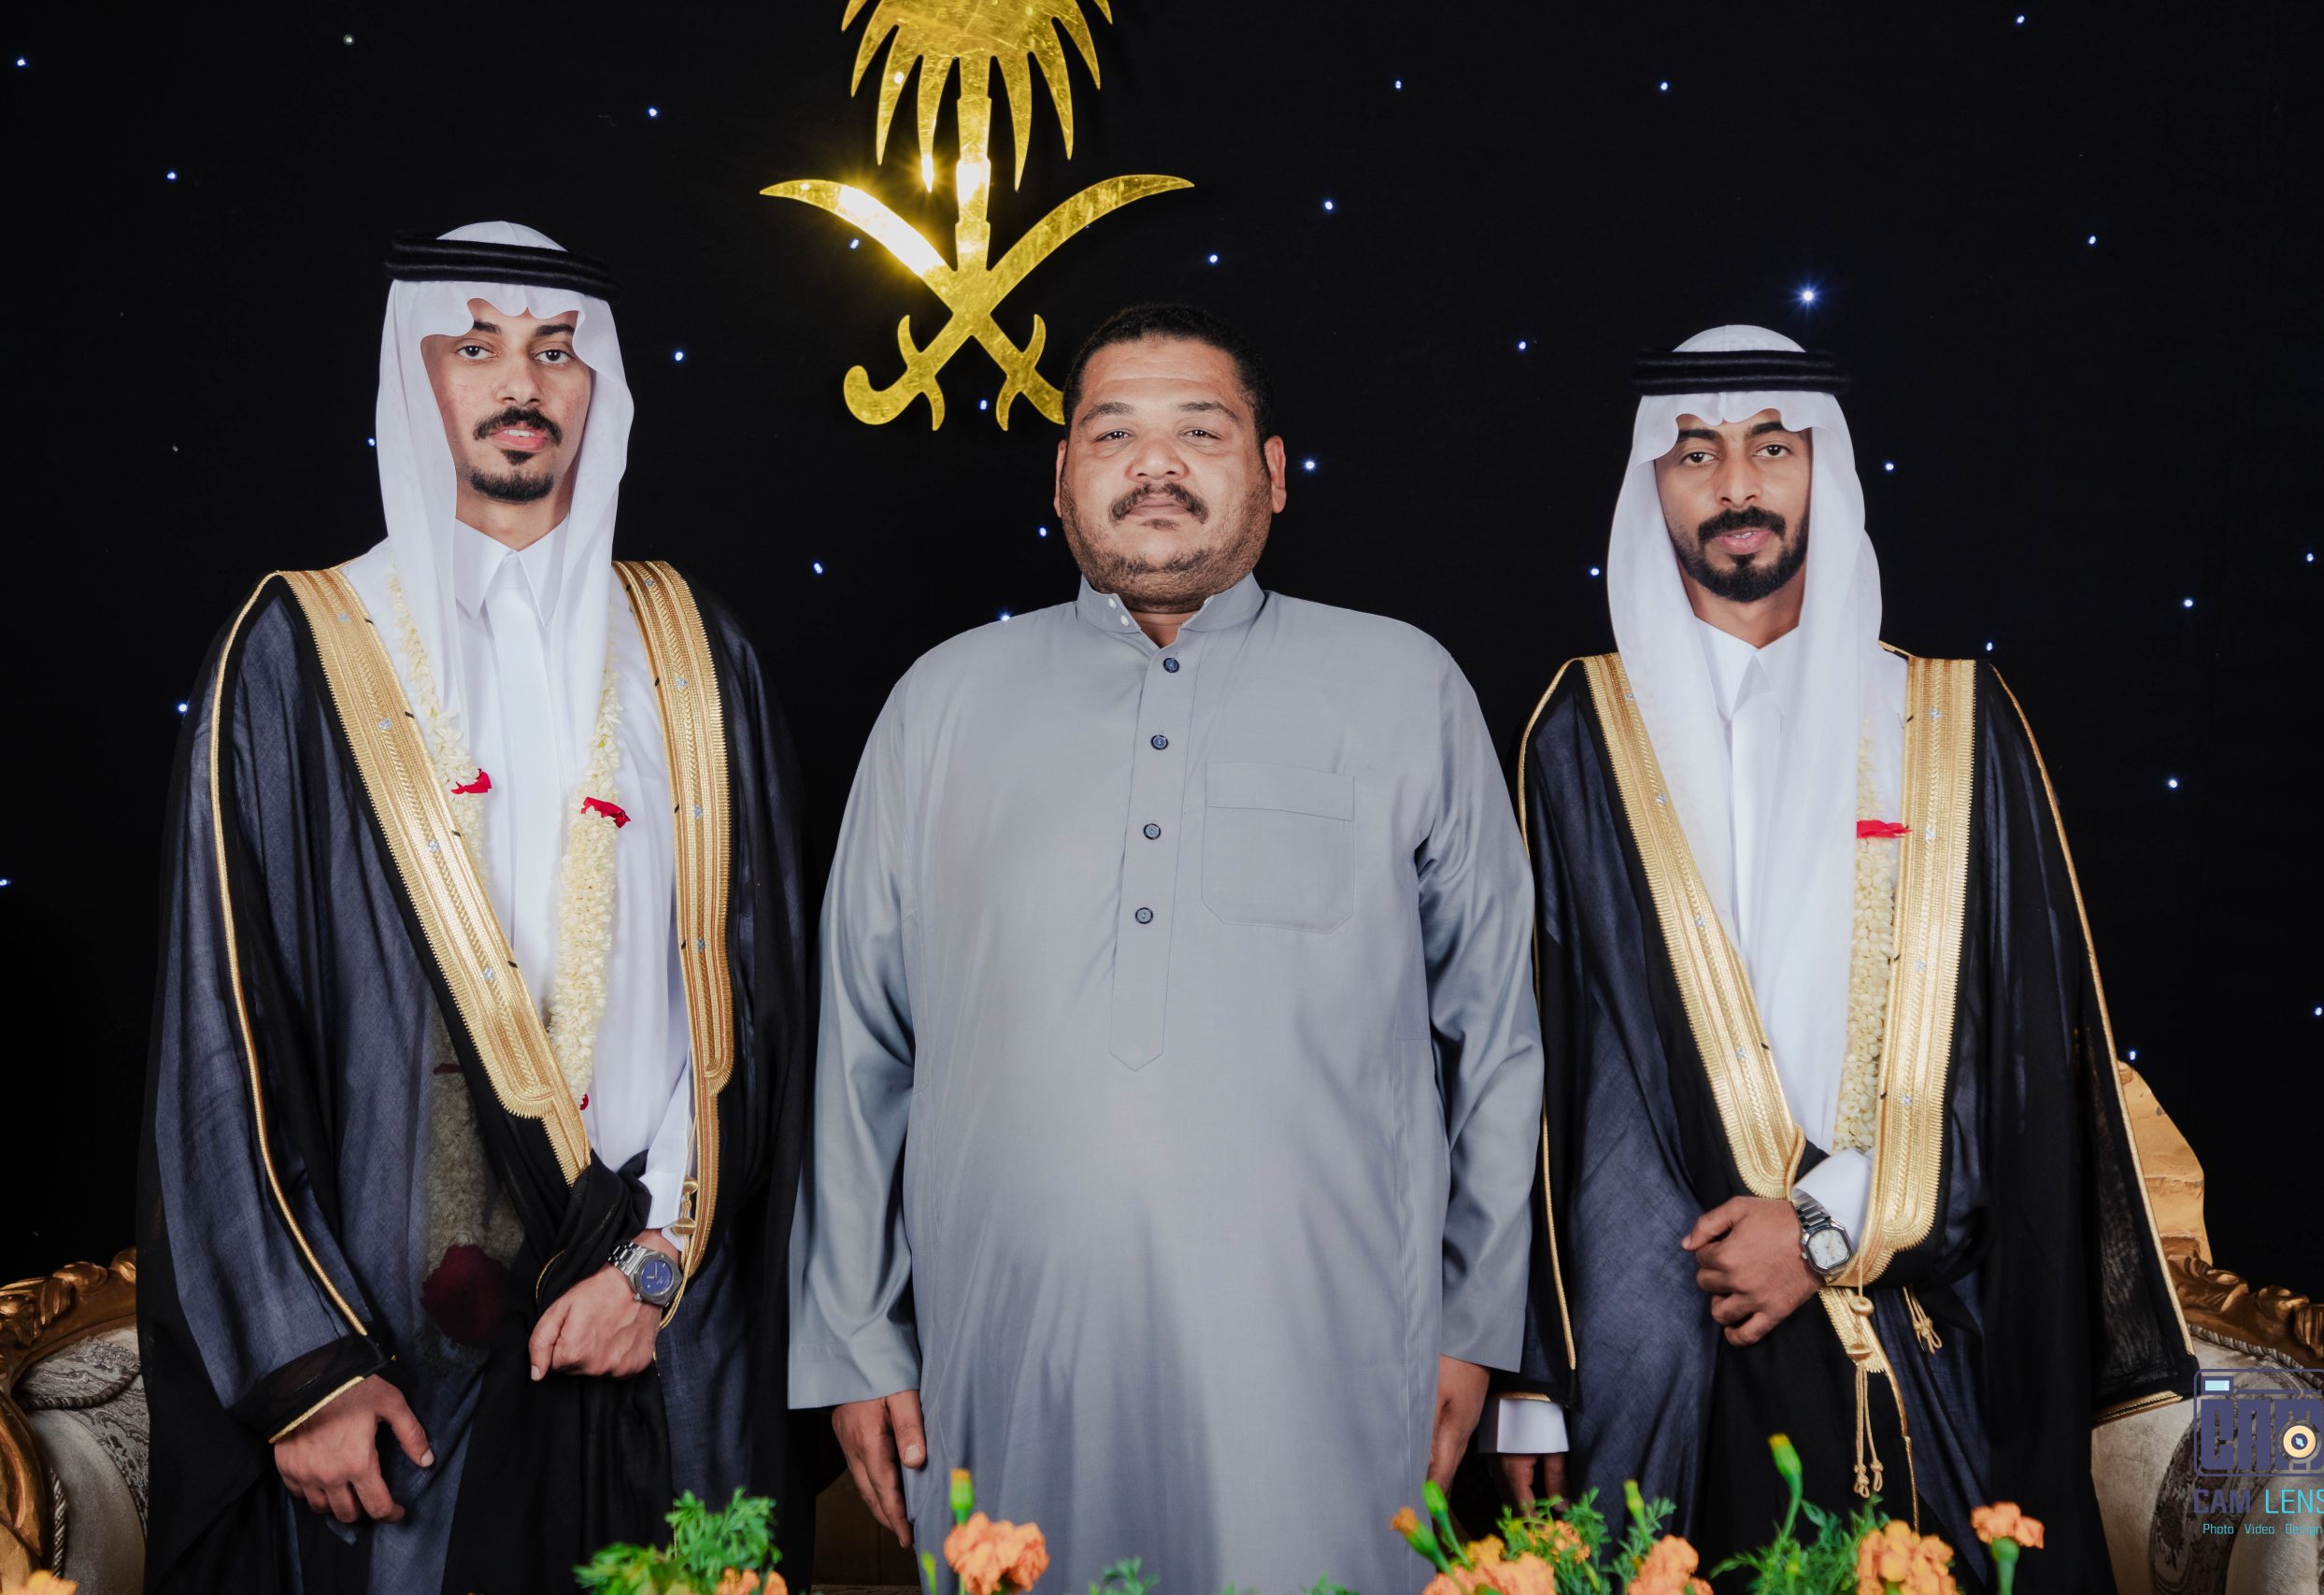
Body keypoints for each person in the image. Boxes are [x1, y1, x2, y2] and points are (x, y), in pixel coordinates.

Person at [791, 304, 1544, 1593]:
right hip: (1008, 1363)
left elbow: (1497, 1037)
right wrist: (856, 1336)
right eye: (1113, 434)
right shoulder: (940, 703)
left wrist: (1475, 1324)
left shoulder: (1404, 685)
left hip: (1335, 1361)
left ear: (1274, 473)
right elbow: (862, 1047)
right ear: (1061, 479)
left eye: (1201, 431)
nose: (1154, 465)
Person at [136, 222, 813, 1595]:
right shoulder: (300, 647)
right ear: (417, 374)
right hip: (399, 1370)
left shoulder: (692, 648)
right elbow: (222, 1029)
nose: (522, 382)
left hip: (653, 1331)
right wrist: (306, 1369)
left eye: (556, 351)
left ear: (597, 384)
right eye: (478, 346)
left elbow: (752, 996)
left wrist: (657, 1265)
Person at [1496, 326, 2196, 1588]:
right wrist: (1540, 1378)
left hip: (1921, 1330)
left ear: (1829, 468)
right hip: (1665, 1338)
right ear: (1651, 483)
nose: (1736, 485)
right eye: (1695, 453)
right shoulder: (1581, 734)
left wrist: (1820, 1226)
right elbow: (1550, 1068)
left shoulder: (1953, 723)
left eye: (1775, 448)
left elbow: (2017, 1061)